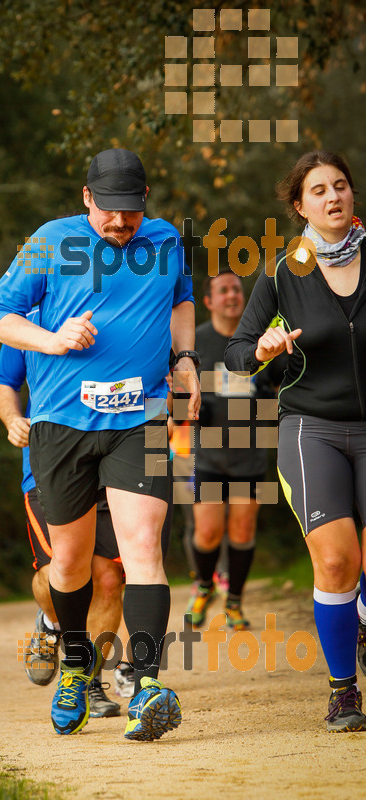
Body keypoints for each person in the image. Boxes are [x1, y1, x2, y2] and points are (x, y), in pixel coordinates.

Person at [0, 147, 200, 740]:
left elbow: (182, 301)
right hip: (62, 425)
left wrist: (184, 358)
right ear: (87, 200)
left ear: (145, 201)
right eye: (108, 211)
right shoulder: (53, 240)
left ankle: (149, 683)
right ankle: (77, 665)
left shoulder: (165, 241)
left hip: (142, 416)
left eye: (129, 211)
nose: (119, 223)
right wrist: (51, 339)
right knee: (71, 563)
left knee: (141, 548)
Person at [224, 151, 366, 733]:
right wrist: (262, 350)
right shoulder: (285, 270)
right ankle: (342, 692)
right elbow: (236, 353)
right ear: (299, 205)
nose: (333, 197)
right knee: (336, 560)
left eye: (341, 186)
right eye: (318, 190)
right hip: (312, 429)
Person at [0, 309, 124, 717]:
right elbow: (2, 382)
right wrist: (13, 418)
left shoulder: (121, 306)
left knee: (108, 577)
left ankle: (88, 681)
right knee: (62, 570)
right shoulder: (28, 318)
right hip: (49, 467)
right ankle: (51, 622)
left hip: (114, 462)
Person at [184, 270, 284, 631]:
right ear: (209, 301)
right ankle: (205, 586)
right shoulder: (195, 341)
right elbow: (174, 392)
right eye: (222, 290)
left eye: (236, 289)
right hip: (208, 455)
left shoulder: (260, 341)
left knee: (242, 531)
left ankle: (236, 603)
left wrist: (268, 399)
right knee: (207, 531)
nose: (231, 295)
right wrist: (190, 411)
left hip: (250, 454)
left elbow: (280, 389)